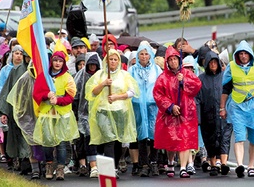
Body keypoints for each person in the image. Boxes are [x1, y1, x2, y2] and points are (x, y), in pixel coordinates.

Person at [220, 40, 254, 178]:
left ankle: (251, 166)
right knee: (239, 136)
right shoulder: (232, 67)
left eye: (245, 53)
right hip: (237, 106)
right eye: (241, 54)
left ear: (250, 54)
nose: (243, 56)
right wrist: (222, 108)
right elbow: (225, 88)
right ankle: (240, 165)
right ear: (237, 55)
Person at [85, 49, 139, 178]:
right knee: (109, 139)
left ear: (119, 61)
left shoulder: (124, 75)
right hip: (103, 111)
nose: (113, 62)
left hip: (120, 111)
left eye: (115, 59)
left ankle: (114, 167)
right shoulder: (99, 75)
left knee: (117, 140)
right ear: (106, 61)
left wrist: (117, 97)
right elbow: (92, 92)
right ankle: (109, 171)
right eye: (111, 59)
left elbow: (132, 92)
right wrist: (103, 84)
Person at [153, 45, 202, 178]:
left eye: (175, 59)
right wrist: (170, 106)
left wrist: (184, 81)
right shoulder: (163, 78)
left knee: (184, 140)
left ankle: (182, 167)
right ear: (167, 62)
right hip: (169, 114)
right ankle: (170, 162)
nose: (173, 62)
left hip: (186, 113)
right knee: (171, 140)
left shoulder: (186, 73)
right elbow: (158, 95)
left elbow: (197, 86)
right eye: (170, 60)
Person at [32, 50, 79, 180]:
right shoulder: (43, 77)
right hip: (47, 114)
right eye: (55, 60)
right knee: (47, 142)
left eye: (60, 61)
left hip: (62, 114)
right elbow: (36, 94)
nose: (57, 63)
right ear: (51, 61)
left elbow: (71, 97)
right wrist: (46, 95)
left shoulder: (67, 77)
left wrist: (58, 100)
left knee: (61, 143)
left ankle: (60, 168)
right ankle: (49, 164)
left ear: (63, 63)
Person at [196, 51, 233, 176]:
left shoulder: (225, 77)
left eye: (215, 62)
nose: (213, 65)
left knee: (224, 138)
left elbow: (230, 93)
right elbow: (197, 98)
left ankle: (223, 163)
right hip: (208, 115)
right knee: (210, 139)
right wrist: (198, 116)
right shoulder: (201, 79)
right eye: (210, 62)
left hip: (224, 113)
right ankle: (213, 164)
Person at [128, 42, 162, 177]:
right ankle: (144, 164)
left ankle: (154, 162)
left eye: (146, 53)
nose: (143, 56)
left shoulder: (157, 70)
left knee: (154, 134)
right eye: (141, 54)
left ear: (150, 55)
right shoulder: (132, 70)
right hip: (137, 106)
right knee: (141, 134)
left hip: (153, 106)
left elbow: (161, 86)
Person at [72, 52, 102, 178]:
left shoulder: (101, 76)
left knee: (98, 140)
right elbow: (76, 94)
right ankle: (88, 165)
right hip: (83, 113)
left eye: (94, 65)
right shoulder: (81, 76)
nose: (92, 67)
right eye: (90, 65)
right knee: (85, 139)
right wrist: (77, 112)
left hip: (99, 112)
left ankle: (96, 164)